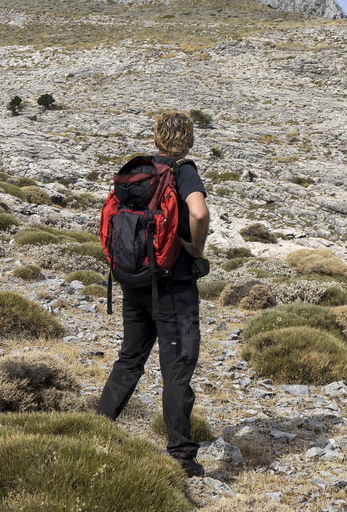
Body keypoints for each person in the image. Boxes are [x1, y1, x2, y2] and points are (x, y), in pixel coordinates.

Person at [97, 110, 210, 477]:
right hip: (172, 288)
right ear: (189, 139)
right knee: (176, 371)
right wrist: (195, 249)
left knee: (129, 359)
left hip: (135, 281)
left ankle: (95, 430)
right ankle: (182, 458)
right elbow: (199, 213)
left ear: (157, 137)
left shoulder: (138, 171)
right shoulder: (182, 171)